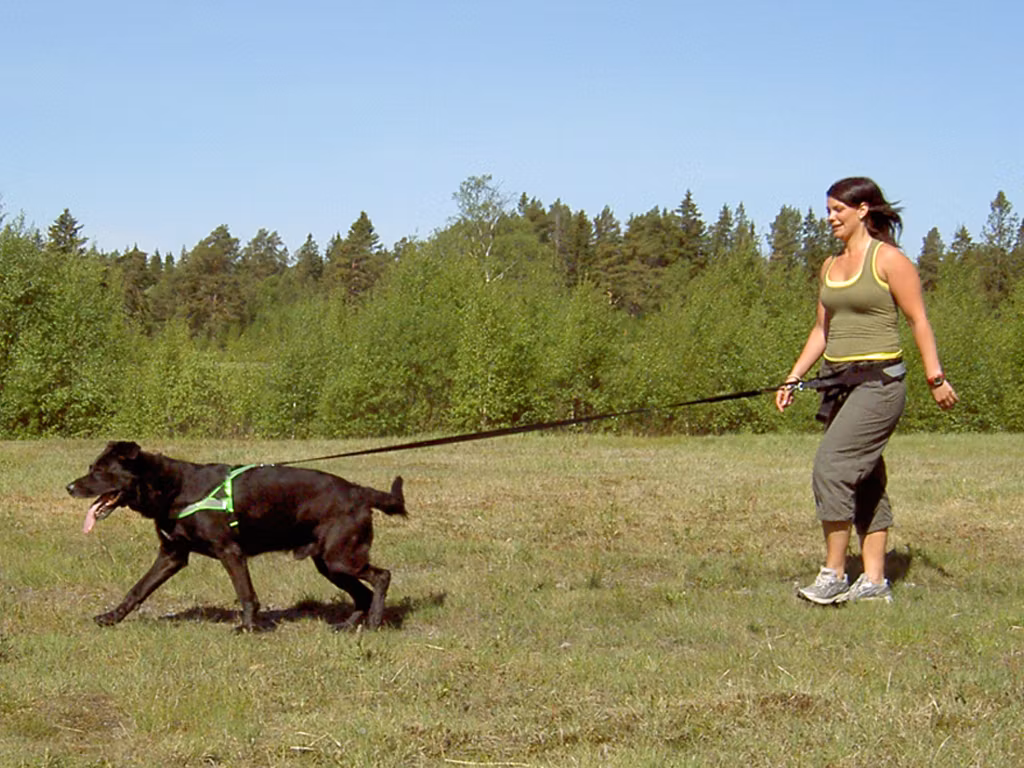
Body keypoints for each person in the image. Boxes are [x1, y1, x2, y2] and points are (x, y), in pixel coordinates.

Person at [776, 177, 958, 605]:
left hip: (880, 384)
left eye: (838, 210)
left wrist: (935, 377)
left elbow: (919, 321)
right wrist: (793, 376)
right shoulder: (829, 266)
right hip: (839, 384)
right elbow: (822, 329)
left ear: (863, 211)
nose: (830, 218)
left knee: (832, 467)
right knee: (865, 478)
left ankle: (834, 573)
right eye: (828, 210)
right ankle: (874, 583)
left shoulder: (889, 260)